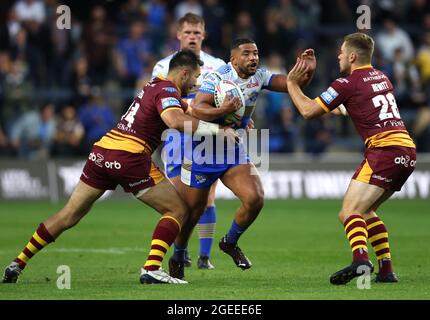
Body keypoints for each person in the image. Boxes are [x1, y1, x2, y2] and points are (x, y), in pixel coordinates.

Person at [2, 49, 238, 285]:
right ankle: (151, 269)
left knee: (69, 215)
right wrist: (219, 132)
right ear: (184, 73)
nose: (196, 84)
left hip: (102, 153)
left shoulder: (155, 86)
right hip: (129, 156)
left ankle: (18, 263)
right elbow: (176, 121)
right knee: (178, 210)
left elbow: (193, 111)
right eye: (196, 77)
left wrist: (224, 113)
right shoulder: (167, 90)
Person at [168, 38, 316, 279]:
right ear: (233, 59)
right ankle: (178, 254)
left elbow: (289, 84)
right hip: (204, 149)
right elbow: (197, 108)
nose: (253, 58)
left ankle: (229, 242)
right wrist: (223, 110)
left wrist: (305, 72)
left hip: (232, 149)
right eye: (246, 54)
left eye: (256, 53)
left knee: (255, 198)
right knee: (193, 212)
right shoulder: (217, 78)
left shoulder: (260, 76)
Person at [286, 32, 416, 284]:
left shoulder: (345, 83)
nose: (338, 56)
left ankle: (360, 260)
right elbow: (363, 104)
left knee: (349, 212)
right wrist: (340, 108)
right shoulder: (381, 76)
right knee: (367, 211)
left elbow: (307, 111)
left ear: (353, 56)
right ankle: (386, 270)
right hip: (406, 151)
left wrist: (292, 84)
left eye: (342, 53)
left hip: (384, 151)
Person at [152, 13, 225, 269]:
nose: (192, 37)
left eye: (197, 33)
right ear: (178, 35)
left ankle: (204, 257)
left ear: (203, 36)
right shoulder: (162, 66)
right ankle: (179, 253)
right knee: (178, 199)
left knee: (207, 197)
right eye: (188, 32)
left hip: (207, 136)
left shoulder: (218, 65)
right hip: (178, 136)